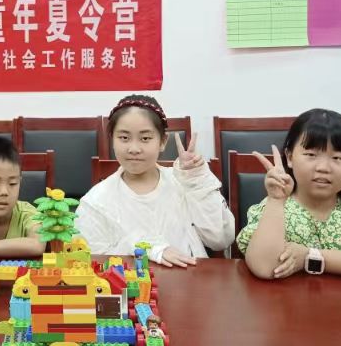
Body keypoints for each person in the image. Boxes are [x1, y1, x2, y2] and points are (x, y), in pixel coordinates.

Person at [238, 109, 341, 282]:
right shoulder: (272, 207)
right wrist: (276, 200)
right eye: (311, 155)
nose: (323, 168)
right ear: (289, 157)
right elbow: (264, 268)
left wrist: (311, 257)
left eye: (337, 158)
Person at [75, 94, 234, 266]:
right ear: (112, 139)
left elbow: (221, 239)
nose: (134, 149)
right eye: (124, 138)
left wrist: (196, 180)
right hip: (128, 281)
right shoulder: (96, 201)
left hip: (191, 277)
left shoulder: (183, 182)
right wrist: (144, 246)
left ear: (163, 141)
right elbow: (89, 261)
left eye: (145, 138)